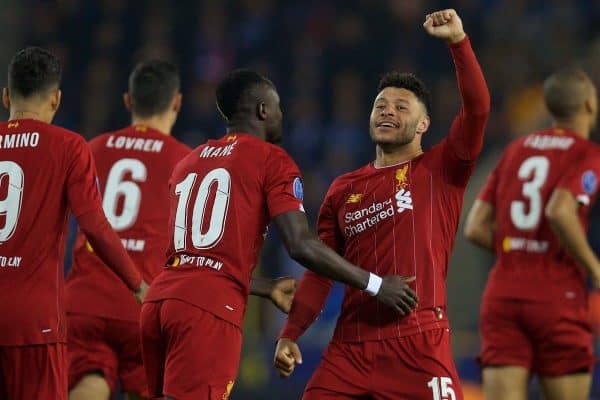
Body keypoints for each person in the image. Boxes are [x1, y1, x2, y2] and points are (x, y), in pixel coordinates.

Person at [140, 68, 419, 400]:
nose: (282, 116)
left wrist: (265, 287)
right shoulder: (271, 159)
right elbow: (300, 245)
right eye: (278, 107)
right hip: (207, 311)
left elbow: (193, 260)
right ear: (262, 110)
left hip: (159, 302)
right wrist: (376, 284)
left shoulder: (188, 161)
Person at [274, 9, 490, 400]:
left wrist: (459, 43)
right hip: (349, 350)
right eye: (381, 105)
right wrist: (291, 333)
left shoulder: (442, 169)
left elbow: (477, 110)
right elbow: (321, 271)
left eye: (402, 106)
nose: (388, 110)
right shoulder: (343, 189)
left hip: (418, 343)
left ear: (423, 124)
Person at [0, 47, 148, 400]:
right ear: (56, 100)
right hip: (34, 324)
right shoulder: (69, 147)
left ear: (6, 96)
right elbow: (94, 226)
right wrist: (138, 285)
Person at [464, 68, 598, 400]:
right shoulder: (586, 153)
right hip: (558, 294)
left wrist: (518, 249)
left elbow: (475, 227)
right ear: (589, 105)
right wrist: (596, 269)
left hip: (503, 294)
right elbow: (559, 211)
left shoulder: (515, 150)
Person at [65, 60, 190, 400]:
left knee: (88, 382)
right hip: (145, 301)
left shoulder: (91, 149)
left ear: (128, 101)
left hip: (86, 298)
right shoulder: (187, 163)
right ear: (176, 102)